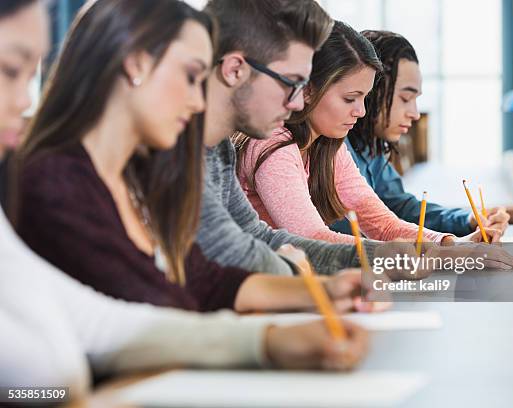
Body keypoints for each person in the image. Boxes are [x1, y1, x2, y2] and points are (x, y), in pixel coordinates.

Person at [0, 0, 368, 398]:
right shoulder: (53, 181)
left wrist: (302, 309)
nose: (197, 103)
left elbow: (195, 282)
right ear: (137, 64)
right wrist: (269, 335)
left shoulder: (142, 173)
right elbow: (157, 303)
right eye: (192, 76)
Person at [197, 0, 382, 277]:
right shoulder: (176, 150)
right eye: (291, 82)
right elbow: (232, 252)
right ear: (235, 69)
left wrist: (384, 256)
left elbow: (258, 237)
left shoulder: (220, 150)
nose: (298, 103)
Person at [330, 30, 510, 237]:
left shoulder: (371, 148)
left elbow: (400, 207)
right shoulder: (335, 148)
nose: (415, 114)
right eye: (406, 98)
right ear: (370, 91)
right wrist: (448, 246)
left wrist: (470, 220)